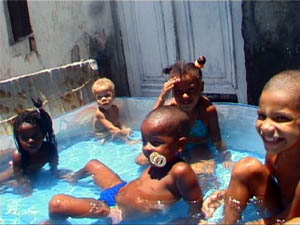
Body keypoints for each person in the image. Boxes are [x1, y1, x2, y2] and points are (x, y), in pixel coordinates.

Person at [44, 106, 204, 224]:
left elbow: (196, 205)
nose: (147, 148)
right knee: (93, 164)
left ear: (180, 146)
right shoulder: (158, 161)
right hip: (118, 190)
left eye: (155, 143)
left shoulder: (179, 171)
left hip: (115, 212)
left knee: (57, 204)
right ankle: (73, 177)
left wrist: (186, 221)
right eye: (144, 141)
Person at [201, 70, 300, 224]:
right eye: (261, 116)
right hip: (284, 207)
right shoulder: (277, 151)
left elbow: (290, 218)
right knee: (246, 168)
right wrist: (226, 194)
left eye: (281, 118)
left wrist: (255, 223)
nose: (266, 127)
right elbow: (265, 178)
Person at [135, 56, 231, 174]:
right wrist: (162, 98)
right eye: (178, 92)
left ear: (201, 87)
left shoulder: (207, 110)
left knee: (205, 171)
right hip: (174, 148)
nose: (185, 96)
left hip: (199, 147)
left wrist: (227, 157)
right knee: (142, 160)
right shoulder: (171, 107)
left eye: (190, 90)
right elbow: (149, 126)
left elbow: (217, 139)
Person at [0, 98, 62, 196]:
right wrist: (24, 184)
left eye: (35, 136)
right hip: (16, 172)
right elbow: (19, 176)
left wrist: (57, 173)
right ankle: (8, 183)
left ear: (43, 134)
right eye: (24, 138)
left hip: (33, 172)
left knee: (31, 181)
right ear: (18, 139)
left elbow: (54, 166)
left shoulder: (50, 149)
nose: (30, 140)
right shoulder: (18, 156)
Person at [91, 77, 132, 144]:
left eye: (107, 95)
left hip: (112, 132)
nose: (103, 99)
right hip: (102, 135)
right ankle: (129, 142)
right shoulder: (100, 114)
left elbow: (117, 123)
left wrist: (123, 129)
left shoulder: (115, 108)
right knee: (103, 142)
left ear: (113, 96)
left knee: (129, 131)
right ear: (96, 100)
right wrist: (122, 133)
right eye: (99, 97)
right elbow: (111, 128)